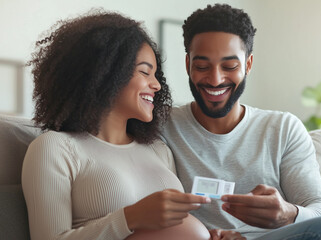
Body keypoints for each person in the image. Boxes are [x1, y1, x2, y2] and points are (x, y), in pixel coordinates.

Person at [159, 4, 321, 240]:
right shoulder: (164, 126)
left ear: (248, 64)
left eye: (229, 66)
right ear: (187, 64)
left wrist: (287, 214)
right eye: (202, 66)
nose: (215, 80)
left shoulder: (281, 128)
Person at [22, 10, 238, 240]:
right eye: (145, 72)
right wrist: (130, 217)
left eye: (156, 75)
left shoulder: (158, 150)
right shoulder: (55, 148)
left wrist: (208, 235)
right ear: (105, 73)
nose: (156, 85)